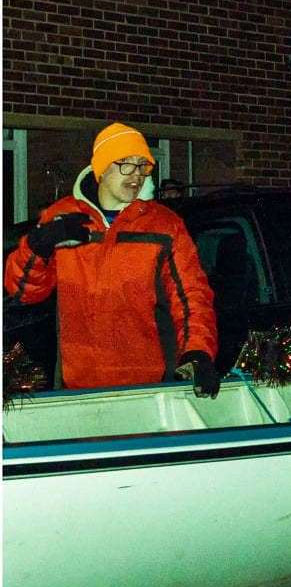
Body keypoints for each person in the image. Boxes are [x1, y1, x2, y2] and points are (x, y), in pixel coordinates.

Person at [4, 122, 219, 394]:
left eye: (143, 165)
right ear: (101, 168)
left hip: (150, 387)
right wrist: (38, 245)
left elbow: (192, 297)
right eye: (125, 164)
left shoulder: (164, 225)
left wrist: (197, 352)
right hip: (78, 388)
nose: (136, 174)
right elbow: (22, 291)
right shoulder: (64, 217)